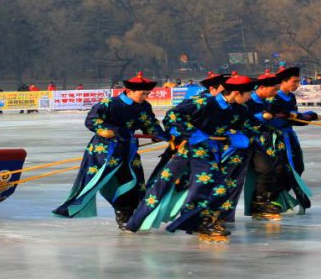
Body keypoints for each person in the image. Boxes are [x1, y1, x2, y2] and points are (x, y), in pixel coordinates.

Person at [125, 73, 262, 243]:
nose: (250, 98)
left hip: (210, 152)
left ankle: (201, 223)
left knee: (212, 188)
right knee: (166, 184)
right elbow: (173, 116)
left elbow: (253, 127)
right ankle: (136, 222)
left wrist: (234, 137)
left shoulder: (240, 109)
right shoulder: (204, 102)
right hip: (193, 150)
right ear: (236, 92)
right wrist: (194, 134)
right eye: (248, 94)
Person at [53, 72, 168, 228]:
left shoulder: (144, 106)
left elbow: (150, 124)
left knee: (135, 183)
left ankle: (129, 213)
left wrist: (159, 135)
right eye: (143, 93)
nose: (145, 96)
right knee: (107, 181)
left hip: (129, 149)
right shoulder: (110, 104)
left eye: (148, 93)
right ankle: (122, 213)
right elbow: (92, 119)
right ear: (129, 91)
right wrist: (104, 130)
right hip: (105, 150)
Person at [245, 67, 315, 220]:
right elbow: (272, 118)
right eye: (294, 81)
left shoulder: (289, 98)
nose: (297, 84)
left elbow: (290, 118)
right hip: (271, 138)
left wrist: (306, 118)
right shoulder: (270, 99)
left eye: (298, 81)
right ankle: (267, 200)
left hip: (287, 135)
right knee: (275, 169)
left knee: (296, 166)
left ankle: (275, 197)